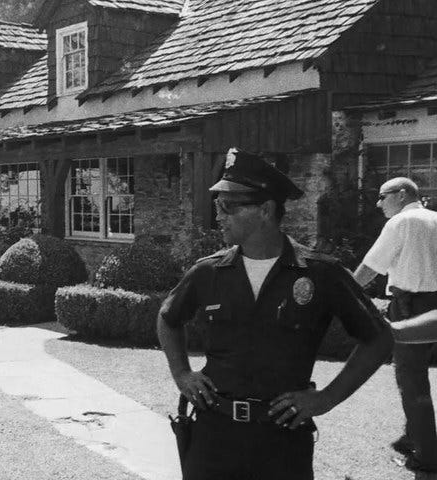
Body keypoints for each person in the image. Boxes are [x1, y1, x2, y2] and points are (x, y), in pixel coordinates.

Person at [157, 148, 393, 480]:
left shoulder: (320, 273)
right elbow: (168, 319)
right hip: (214, 436)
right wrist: (182, 374)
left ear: (266, 210)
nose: (219, 216)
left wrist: (327, 398)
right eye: (217, 206)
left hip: (281, 442)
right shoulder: (208, 272)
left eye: (228, 206)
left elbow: (379, 338)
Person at [353, 176, 437, 473]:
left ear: (401, 195)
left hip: (411, 307)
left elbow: (370, 267)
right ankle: (413, 435)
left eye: (382, 196)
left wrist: (343, 295)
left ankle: (426, 456)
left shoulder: (401, 223)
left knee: (411, 380)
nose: (378, 203)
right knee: (417, 377)